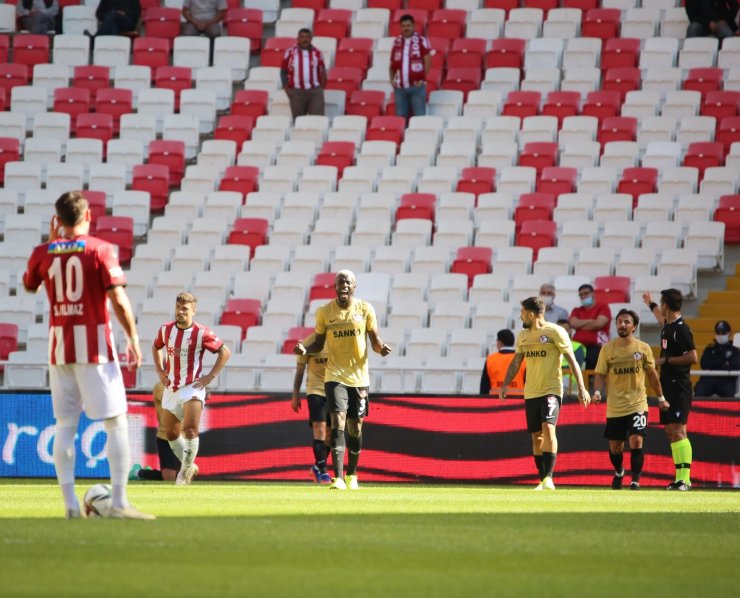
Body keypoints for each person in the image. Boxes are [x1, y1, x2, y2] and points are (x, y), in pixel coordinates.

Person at [22, 191, 154, 519]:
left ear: (58, 219)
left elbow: (30, 286)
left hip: (59, 351)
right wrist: (133, 338)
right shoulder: (100, 250)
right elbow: (119, 300)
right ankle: (120, 503)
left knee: (65, 425)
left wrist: (53, 243)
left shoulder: (43, 252)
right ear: (88, 216)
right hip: (95, 350)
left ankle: (69, 506)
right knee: (116, 422)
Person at [294, 270, 392, 490]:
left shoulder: (365, 309)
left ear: (354, 286)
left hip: (359, 378)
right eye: (340, 283)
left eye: (348, 282)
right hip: (335, 376)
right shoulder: (324, 312)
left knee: (355, 427)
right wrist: (305, 348)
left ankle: (352, 474)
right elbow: (318, 344)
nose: (344, 285)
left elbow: (375, 341)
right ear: (335, 287)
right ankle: (338, 478)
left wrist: (381, 349)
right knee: (337, 421)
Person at [499, 297, 590, 490]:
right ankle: (542, 480)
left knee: (549, 428)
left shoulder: (556, 331)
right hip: (531, 392)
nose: (520, 316)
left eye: (522, 312)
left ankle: (549, 477)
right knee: (536, 437)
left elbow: (572, 360)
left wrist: (582, 388)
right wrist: (506, 384)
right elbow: (516, 361)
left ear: (531, 314)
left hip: (551, 390)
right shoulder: (523, 335)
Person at [152, 292, 231, 486]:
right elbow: (156, 347)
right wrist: (160, 369)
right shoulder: (165, 330)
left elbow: (224, 352)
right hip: (171, 388)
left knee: (189, 429)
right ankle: (190, 465)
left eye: (185, 309)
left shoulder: (202, 333)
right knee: (170, 433)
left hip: (192, 387)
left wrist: (210, 377)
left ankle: (183, 475)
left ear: (193, 311)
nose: (180, 312)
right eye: (178, 308)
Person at [592, 309, 664, 491]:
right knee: (616, 447)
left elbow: (652, 375)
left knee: (636, 441)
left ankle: (635, 481)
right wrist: (598, 392)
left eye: (626, 322)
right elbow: (600, 374)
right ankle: (619, 472)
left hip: (638, 403)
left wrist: (661, 397)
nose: (622, 325)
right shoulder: (607, 348)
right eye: (620, 322)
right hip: (615, 406)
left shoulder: (643, 348)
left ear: (634, 326)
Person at [643, 289, 698, 491]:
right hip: (667, 386)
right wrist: (650, 304)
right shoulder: (668, 325)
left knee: (679, 430)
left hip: (679, 387)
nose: (660, 307)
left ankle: (685, 479)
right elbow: (660, 318)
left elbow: (693, 357)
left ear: (666, 305)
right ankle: (678, 478)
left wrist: (666, 360)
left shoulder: (682, 329)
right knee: (670, 432)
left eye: (660, 303)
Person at [292, 333, 332, 484]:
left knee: (329, 435)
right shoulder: (307, 343)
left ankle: (317, 466)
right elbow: (300, 371)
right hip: (315, 391)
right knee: (319, 428)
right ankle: (323, 472)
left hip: (334, 391)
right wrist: (295, 395)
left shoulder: (337, 342)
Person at [130, 382, 180, 482]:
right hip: (166, 437)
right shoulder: (161, 386)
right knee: (170, 479)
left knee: (183, 477)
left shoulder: (191, 384)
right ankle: (139, 473)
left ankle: (147, 472)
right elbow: (172, 401)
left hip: (186, 438)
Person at [389, 13, 431, 120]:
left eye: (408, 25)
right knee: (400, 118)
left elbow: (428, 60)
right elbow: (392, 63)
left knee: (419, 118)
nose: (406, 28)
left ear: (413, 26)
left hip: (416, 87)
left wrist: (422, 79)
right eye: (403, 26)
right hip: (400, 88)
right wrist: (391, 80)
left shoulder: (422, 40)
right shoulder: (396, 42)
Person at [280, 28, 327, 121]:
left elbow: (323, 71)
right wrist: (287, 89)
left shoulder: (317, 53)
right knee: (299, 120)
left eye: (307, 37)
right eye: (302, 37)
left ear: (311, 38)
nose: (305, 39)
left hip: (315, 92)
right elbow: (283, 71)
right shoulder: (290, 52)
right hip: (297, 92)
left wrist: (320, 89)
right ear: (298, 38)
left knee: (317, 120)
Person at [569, 283, 611, 371]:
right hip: (578, 345)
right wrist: (591, 321)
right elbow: (573, 324)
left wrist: (580, 326)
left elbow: (599, 324)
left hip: (597, 346)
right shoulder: (577, 310)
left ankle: (592, 383)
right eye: (581, 295)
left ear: (593, 294)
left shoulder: (603, 307)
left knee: (594, 357)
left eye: (586, 293)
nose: (583, 296)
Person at [694, 320, 740, 398]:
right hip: (709, 380)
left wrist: (713, 364)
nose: (720, 335)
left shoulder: (734, 351)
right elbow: (704, 364)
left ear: (729, 333)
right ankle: (698, 410)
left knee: (729, 392)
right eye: (718, 333)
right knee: (700, 389)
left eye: (723, 333)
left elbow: (735, 366)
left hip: (726, 380)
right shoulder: (710, 348)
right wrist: (724, 362)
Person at [480, 329, 524, 396]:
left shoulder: (490, 359)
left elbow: (484, 387)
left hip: (495, 402)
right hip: (518, 402)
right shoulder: (523, 359)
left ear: (499, 342)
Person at [558, 319, 585, 397]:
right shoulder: (551, 347)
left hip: (569, 377)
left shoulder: (577, 346)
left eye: (565, 330)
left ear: (570, 331)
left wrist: (558, 368)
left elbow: (577, 364)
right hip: (554, 376)